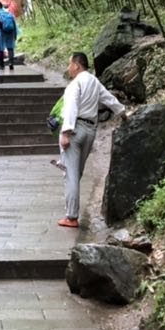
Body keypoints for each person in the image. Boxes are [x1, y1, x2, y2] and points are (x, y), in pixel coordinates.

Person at [56, 52, 126, 229]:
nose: (68, 68)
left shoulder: (75, 84)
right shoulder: (94, 82)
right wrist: (123, 113)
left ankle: (71, 216)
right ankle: (71, 212)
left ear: (77, 65)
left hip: (75, 130)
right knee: (76, 173)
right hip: (90, 131)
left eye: (69, 64)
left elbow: (71, 107)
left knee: (71, 174)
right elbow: (109, 99)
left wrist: (66, 132)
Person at [0, 3, 18, 70]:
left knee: (1, 48)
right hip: (10, 32)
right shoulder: (9, 14)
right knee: (10, 48)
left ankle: (1, 65)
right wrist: (15, 34)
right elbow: (14, 25)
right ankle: (11, 63)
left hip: (1, 32)